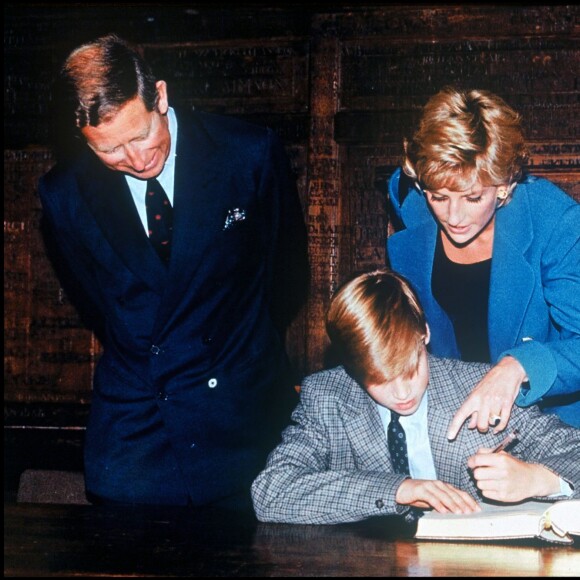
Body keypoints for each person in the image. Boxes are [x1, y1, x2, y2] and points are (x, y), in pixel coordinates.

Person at [38, 33, 309, 507]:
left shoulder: (247, 152)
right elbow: (97, 301)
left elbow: (287, 275)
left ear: (159, 96)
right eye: (110, 151)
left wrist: (235, 350)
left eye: (141, 134)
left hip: (241, 412)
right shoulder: (64, 194)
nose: (138, 160)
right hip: (140, 426)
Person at [251, 270, 579, 525]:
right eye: (380, 379)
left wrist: (539, 479)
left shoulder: (479, 388)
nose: (403, 392)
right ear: (351, 367)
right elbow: (271, 492)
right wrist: (400, 489)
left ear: (425, 332)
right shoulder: (327, 398)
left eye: (411, 369)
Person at [386, 86, 580, 437]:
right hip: (451, 420)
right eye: (439, 197)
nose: (454, 216)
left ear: (505, 184)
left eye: (473, 197)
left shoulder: (554, 221)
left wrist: (518, 366)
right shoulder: (412, 201)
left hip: (551, 425)